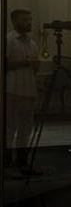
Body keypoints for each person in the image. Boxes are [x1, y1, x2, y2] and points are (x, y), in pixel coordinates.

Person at [5, 9, 40, 173]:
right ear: (15, 21)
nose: (29, 22)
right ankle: (6, 162)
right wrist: (24, 63)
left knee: (26, 129)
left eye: (29, 19)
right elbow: (5, 65)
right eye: (25, 19)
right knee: (9, 127)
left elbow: (35, 67)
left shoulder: (32, 43)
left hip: (28, 90)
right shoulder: (9, 40)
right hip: (12, 90)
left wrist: (34, 64)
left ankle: (21, 161)